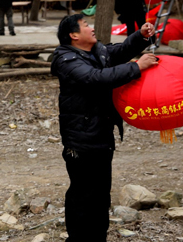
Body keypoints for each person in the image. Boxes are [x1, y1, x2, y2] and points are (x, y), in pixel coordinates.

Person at [51, 15, 158, 241]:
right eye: (86, 25)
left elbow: (118, 52)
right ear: (74, 35)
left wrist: (140, 37)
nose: (91, 28)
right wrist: (137, 67)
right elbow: (95, 78)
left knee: (101, 195)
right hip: (80, 140)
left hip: (101, 136)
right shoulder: (66, 59)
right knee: (82, 195)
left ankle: (98, 238)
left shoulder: (97, 51)